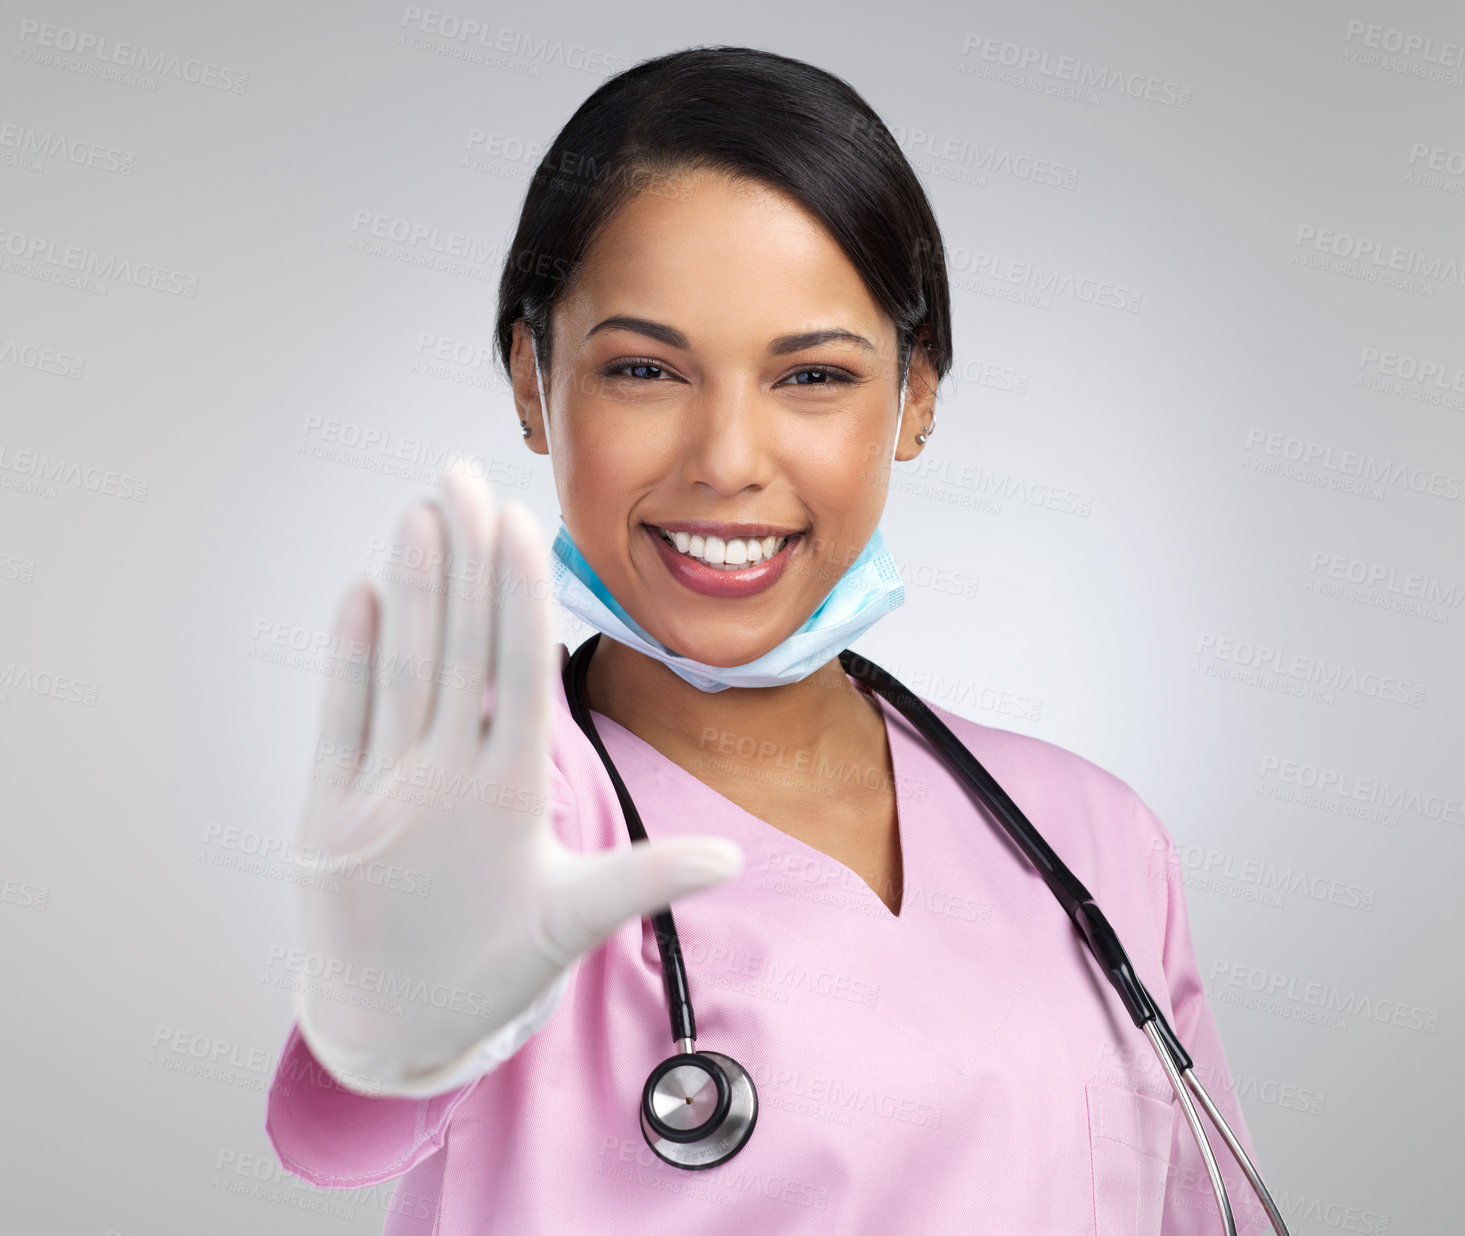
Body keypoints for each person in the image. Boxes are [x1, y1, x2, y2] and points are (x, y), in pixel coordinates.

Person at [264, 44, 1270, 1235]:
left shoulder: (1092, 838)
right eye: (644, 368)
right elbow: (326, 1134)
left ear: (917, 399)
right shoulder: (498, 829)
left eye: (811, 377)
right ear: (533, 381)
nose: (729, 461)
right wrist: (382, 1021)